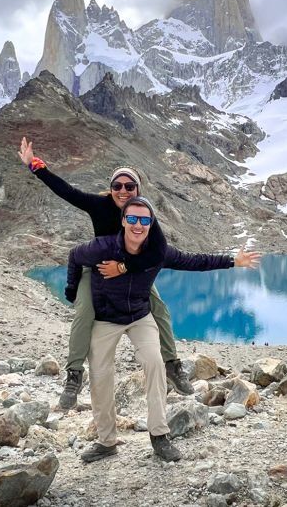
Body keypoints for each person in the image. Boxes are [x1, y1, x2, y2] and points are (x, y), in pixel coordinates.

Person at [68, 196, 261, 462]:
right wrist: (72, 290)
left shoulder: (158, 252)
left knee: (155, 364)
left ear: (151, 223)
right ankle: (106, 442)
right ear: (123, 221)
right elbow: (74, 256)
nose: (138, 225)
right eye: (132, 218)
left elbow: (194, 261)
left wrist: (233, 262)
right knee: (100, 376)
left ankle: (159, 436)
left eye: (144, 220)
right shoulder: (102, 247)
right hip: (105, 319)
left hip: (139, 316)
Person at [17, 137, 194, 409]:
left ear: (138, 189)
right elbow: (66, 191)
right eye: (117, 186)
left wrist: (123, 267)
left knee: (159, 308)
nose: (123, 191)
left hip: (132, 271)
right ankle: (74, 374)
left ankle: (172, 364)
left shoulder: (143, 213)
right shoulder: (98, 205)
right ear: (110, 189)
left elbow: (157, 253)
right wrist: (35, 166)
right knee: (84, 312)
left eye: (129, 186)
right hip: (98, 270)